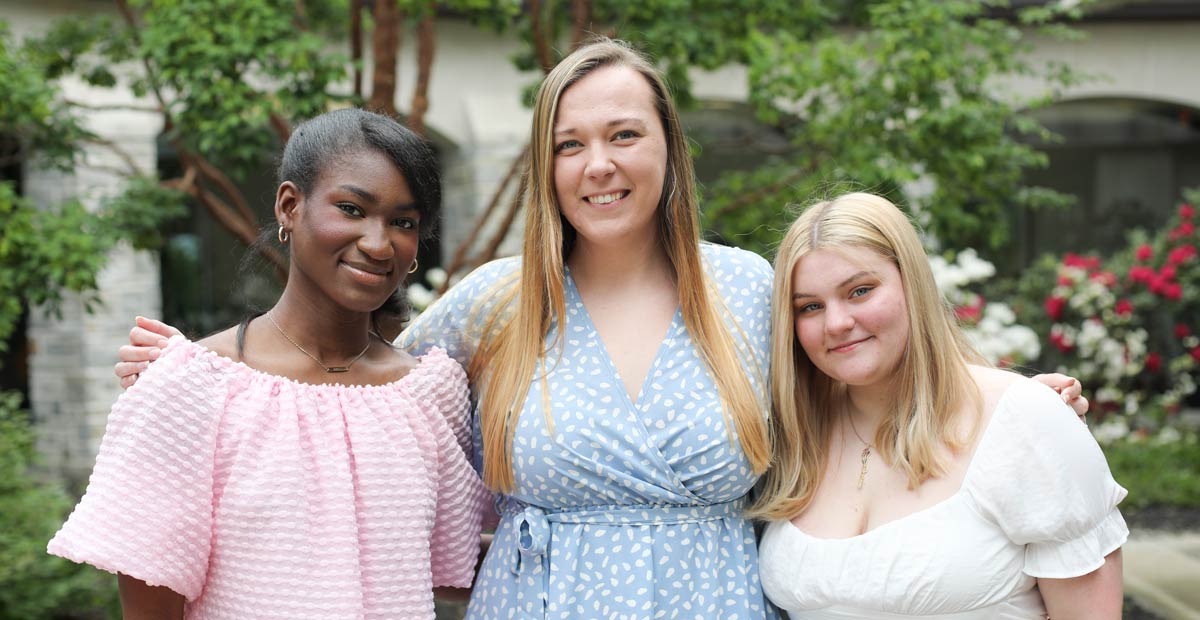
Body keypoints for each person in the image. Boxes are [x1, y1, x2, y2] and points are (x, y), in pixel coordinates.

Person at [110, 41, 1089, 620]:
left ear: (668, 144)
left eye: (625, 134)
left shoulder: (750, 288)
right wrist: (202, 369)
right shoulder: (496, 304)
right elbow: (350, 368)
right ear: (547, 163)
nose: (599, 165)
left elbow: (868, 365)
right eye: (571, 143)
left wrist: (1003, 405)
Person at [49, 108, 490, 620]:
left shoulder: (430, 395)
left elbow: (451, 570)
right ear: (289, 206)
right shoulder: (189, 390)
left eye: (403, 222)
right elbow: (151, 606)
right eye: (351, 209)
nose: (377, 242)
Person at [752, 192, 1127, 619]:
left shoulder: (1026, 418)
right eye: (810, 307)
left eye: (860, 291)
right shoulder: (795, 433)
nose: (836, 323)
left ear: (912, 284)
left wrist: (1038, 418)